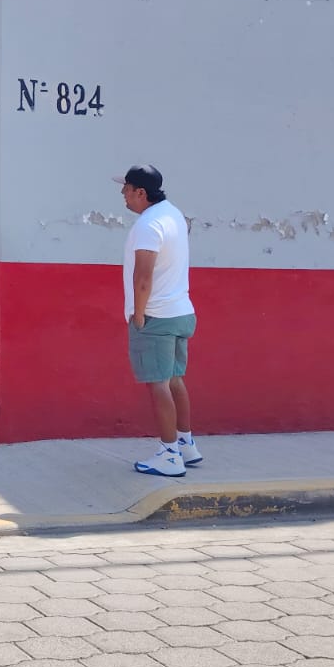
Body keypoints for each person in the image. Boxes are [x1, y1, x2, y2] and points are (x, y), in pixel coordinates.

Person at [120, 164, 201, 477]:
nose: (123, 194)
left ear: (141, 192)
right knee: (175, 379)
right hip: (181, 312)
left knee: (159, 385)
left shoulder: (148, 224)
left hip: (156, 316)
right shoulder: (173, 214)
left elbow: (143, 277)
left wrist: (139, 314)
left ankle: (169, 455)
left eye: (127, 189)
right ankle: (186, 445)